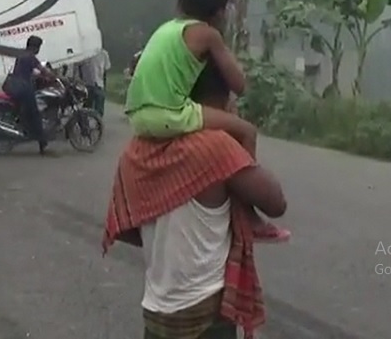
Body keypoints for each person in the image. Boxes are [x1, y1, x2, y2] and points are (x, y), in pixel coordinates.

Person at [103, 63, 287, 339]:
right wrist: (237, 133)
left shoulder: (136, 150)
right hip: (206, 315)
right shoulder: (216, 147)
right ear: (223, 99)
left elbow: (131, 229)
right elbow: (276, 203)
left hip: (156, 314)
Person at [125, 0, 289, 242]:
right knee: (246, 131)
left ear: (180, 2)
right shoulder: (208, 34)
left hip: (139, 116)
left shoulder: (165, 30)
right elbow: (239, 84)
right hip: (170, 113)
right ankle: (247, 214)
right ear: (220, 13)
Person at [4, 35, 52, 155]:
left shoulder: (21, 55)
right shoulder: (31, 57)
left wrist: (40, 76)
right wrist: (54, 76)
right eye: (39, 47)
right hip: (23, 88)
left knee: (29, 111)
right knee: (35, 114)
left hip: (16, 86)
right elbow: (43, 70)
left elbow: (26, 71)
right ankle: (42, 142)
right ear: (35, 47)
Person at [81, 48, 111, 116]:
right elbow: (79, 69)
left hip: (99, 84)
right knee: (86, 109)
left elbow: (105, 72)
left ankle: (98, 121)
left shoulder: (103, 54)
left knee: (99, 109)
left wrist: (104, 87)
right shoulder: (84, 54)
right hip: (87, 85)